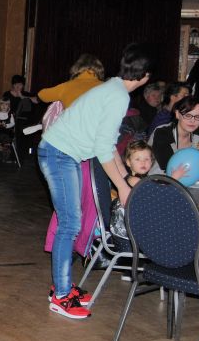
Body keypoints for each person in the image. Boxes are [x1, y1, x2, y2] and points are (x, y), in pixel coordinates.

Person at [38, 43, 153, 320]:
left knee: (71, 221)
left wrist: (123, 180)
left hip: (63, 153)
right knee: (70, 223)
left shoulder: (112, 87)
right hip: (59, 154)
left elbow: (109, 145)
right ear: (145, 75)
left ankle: (62, 286)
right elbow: (102, 149)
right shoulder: (117, 96)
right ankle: (61, 296)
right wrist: (123, 187)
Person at [147, 95, 199, 172]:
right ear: (177, 114)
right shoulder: (163, 133)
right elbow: (168, 167)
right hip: (158, 177)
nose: (193, 121)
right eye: (188, 115)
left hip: (186, 175)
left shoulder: (196, 133)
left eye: (198, 116)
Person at [37, 54, 105, 108]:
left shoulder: (66, 86)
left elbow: (42, 95)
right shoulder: (105, 86)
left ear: (77, 67)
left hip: (73, 121)